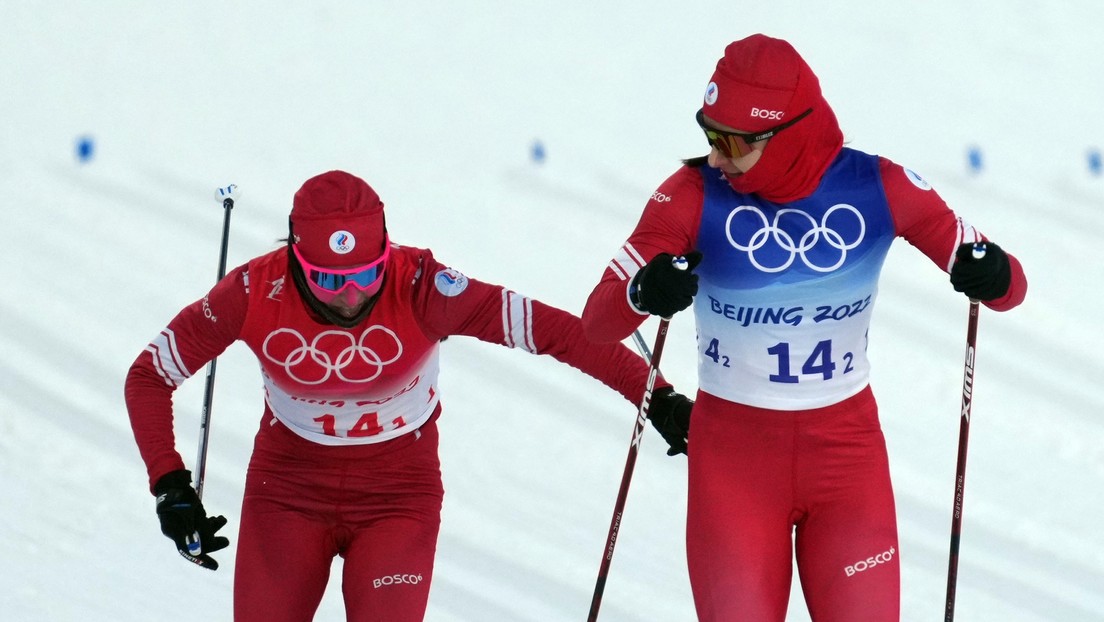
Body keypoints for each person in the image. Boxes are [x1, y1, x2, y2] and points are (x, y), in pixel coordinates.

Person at [580, 34, 1027, 622]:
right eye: (708, 135)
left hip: (846, 461)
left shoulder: (878, 186)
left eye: (732, 142)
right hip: (734, 465)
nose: (715, 157)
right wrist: (644, 290)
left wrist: (988, 273)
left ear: (782, 134)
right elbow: (597, 321)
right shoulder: (690, 195)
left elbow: (1009, 288)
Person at [124, 170, 693, 622]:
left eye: (366, 275)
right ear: (295, 257)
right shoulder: (251, 292)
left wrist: (657, 396)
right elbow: (148, 376)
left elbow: (561, 334)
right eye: (327, 280)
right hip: (288, 489)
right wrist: (170, 487)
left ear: (386, 252)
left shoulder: (425, 287)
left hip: (398, 494)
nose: (349, 297)